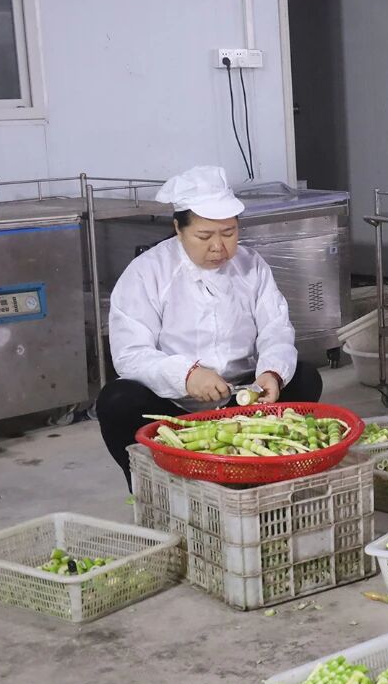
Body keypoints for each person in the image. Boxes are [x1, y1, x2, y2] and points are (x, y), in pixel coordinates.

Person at [96, 166, 323, 489]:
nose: (219, 246)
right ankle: (152, 487)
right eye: (204, 236)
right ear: (178, 229)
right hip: (171, 406)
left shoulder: (251, 266)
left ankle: (255, 476)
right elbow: (130, 355)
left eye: (229, 233)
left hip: (241, 399)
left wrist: (271, 373)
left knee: (304, 377)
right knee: (117, 400)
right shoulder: (147, 272)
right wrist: (186, 375)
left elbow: (276, 329)